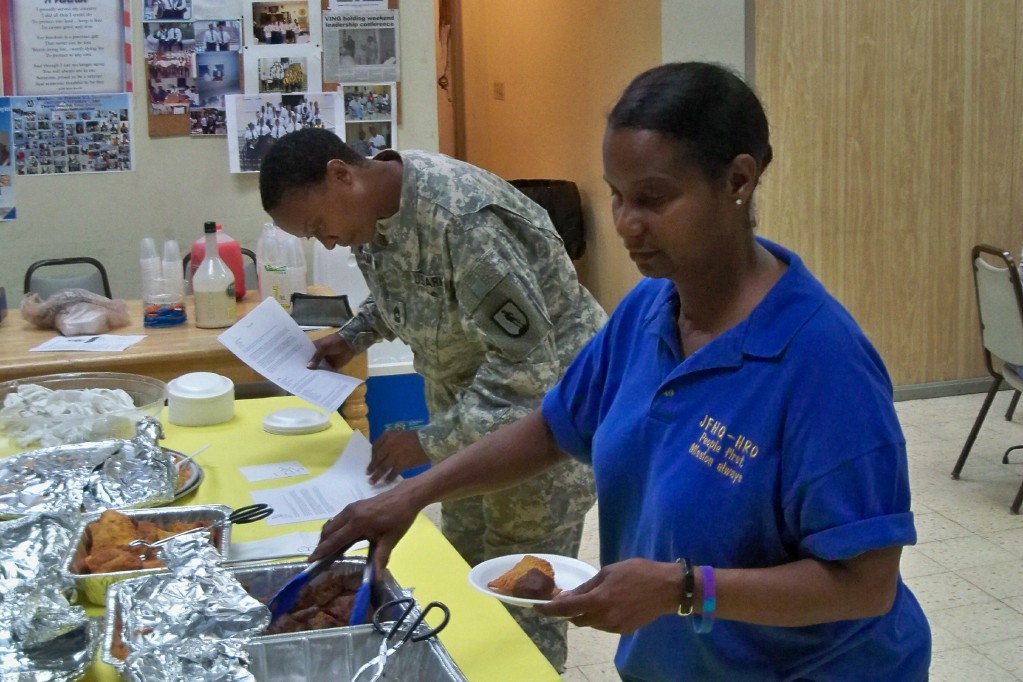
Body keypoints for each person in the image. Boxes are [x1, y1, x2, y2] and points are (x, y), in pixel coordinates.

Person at [304, 62, 933, 681]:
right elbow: (554, 428)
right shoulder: (649, 310)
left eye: (654, 199)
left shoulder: (821, 361)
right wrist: (412, 494)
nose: (627, 224)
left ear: (739, 180)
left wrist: (687, 590)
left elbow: (866, 585)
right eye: (617, 195)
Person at [259, 127, 606, 671]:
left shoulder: (464, 221)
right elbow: (409, 291)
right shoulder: (374, 217)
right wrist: (353, 336)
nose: (326, 242)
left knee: (523, 599)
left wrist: (427, 442)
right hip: (469, 415)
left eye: (319, 227)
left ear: (341, 175)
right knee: (463, 570)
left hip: (544, 426)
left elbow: (527, 375)